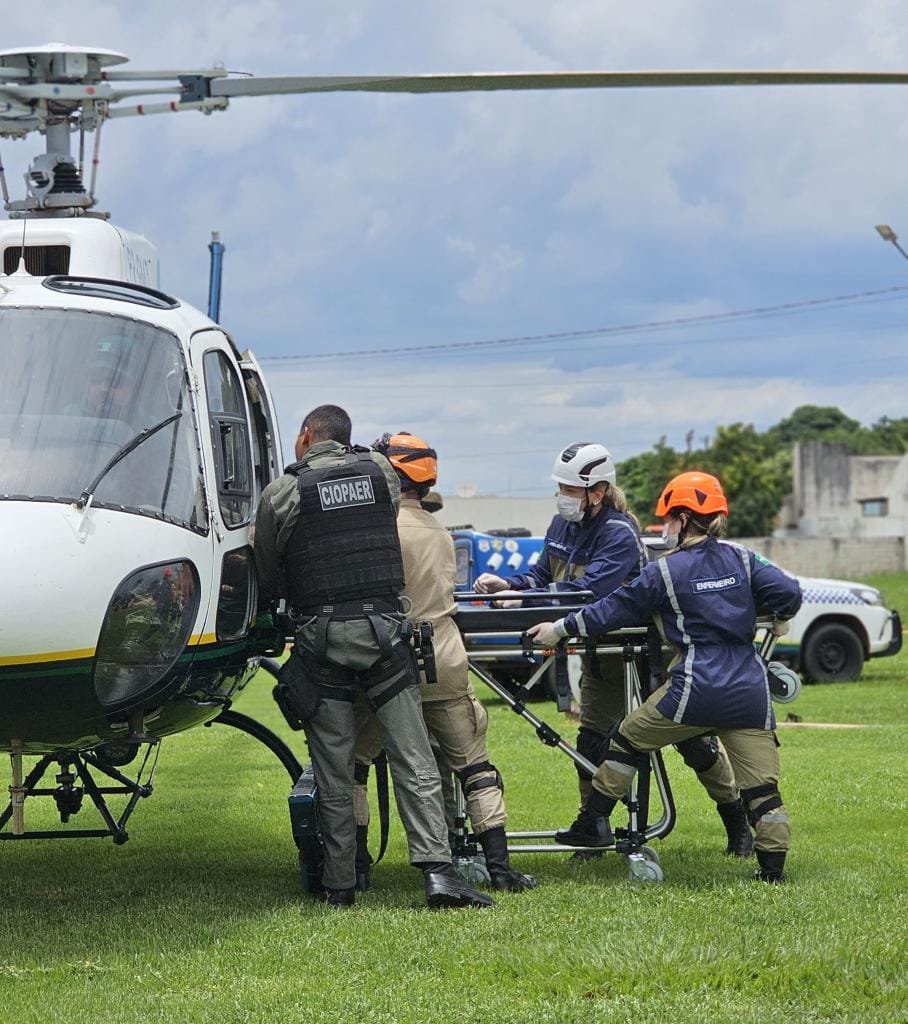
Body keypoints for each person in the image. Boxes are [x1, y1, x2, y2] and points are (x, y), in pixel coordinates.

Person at [254, 405, 493, 909]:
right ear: (346, 438)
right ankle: (438, 874)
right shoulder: (381, 473)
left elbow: (269, 573)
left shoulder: (283, 492)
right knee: (414, 757)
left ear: (305, 437)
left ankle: (341, 885)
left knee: (336, 769)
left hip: (322, 641)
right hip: (386, 636)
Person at [474, 443, 754, 856]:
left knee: (692, 741)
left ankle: (737, 823)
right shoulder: (560, 526)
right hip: (596, 653)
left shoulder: (618, 534)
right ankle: (595, 825)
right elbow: (542, 572)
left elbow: (593, 591)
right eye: (562, 488)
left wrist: (529, 599)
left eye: (571, 489)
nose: (563, 496)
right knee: (591, 740)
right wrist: (513, 585)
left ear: (598, 492)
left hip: (641, 654)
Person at [527, 471, 802, 882]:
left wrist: (561, 628)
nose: (665, 528)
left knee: (626, 737)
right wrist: (775, 615)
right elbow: (789, 593)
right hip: (750, 690)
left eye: (670, 520)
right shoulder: (744, 558)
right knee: (763, 791)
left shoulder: (664, 571)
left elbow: (611, 609)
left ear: (684, 519)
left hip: (694, 686)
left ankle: (593, 821)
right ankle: (772, 871)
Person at [352, 432, 537, 893]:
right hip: (444, 659)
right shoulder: (441, 532)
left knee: (353, 764)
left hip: (387, 663)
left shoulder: (377, 530)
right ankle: (499, 868)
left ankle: (354, 866)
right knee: (475, 766)